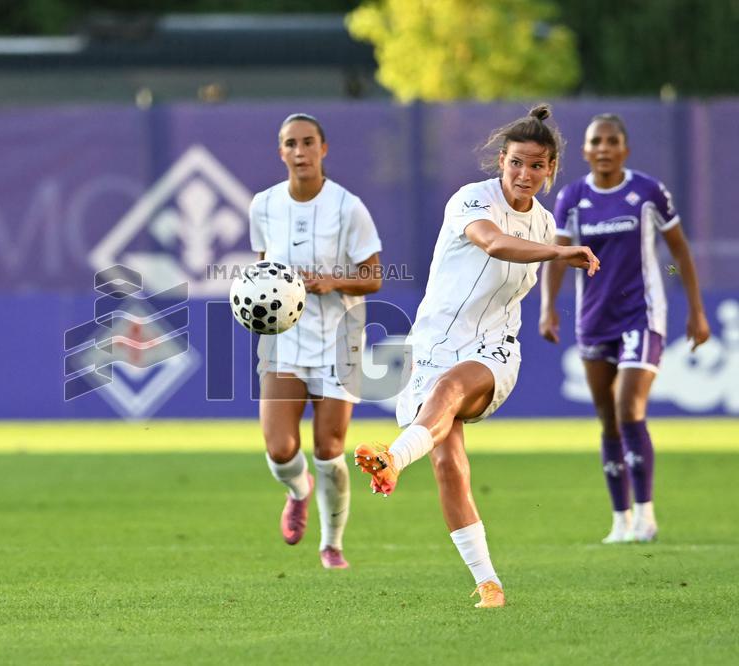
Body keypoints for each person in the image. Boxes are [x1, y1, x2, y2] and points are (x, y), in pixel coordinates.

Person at [354, 105, 600, 608]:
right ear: (501, 162)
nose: (524, 174)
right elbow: (492, 243)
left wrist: (554, 266)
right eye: (516, 163)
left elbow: (527, 264)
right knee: (448, 464)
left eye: (536, 165)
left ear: (551, 168)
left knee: (450, 392)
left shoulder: (546, 224)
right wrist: (558, 253)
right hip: (432, 345)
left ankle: (392, 458)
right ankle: (489, 583)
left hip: (494, 349)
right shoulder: (471, 200)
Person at [539, 113, 710, 544]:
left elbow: (679, 253)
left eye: (612, 141)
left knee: (627, 407)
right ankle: (620, 520)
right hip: (593, 319)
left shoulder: (648, 192)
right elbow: (557, 256)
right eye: (596, 141)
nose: (603, 148)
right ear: (584, 150)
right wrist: (548, 309)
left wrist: (696, 310)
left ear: (625, 149)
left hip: (642, 315)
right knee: (607, 421)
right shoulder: (572, 198)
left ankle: (646, 514)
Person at [248, 113, 383, 569]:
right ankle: (297, 490)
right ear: (281, 151)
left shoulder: (348, 208)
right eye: (291, 144)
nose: (300, 151)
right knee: (280, 448)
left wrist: (333, 282)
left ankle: (332, 544)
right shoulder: (263, 206)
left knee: (329, 450)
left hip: (337, 341)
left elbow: (375, 277)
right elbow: (263, 270)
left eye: (308, 142)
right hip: (284, 341)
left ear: (324, 149)